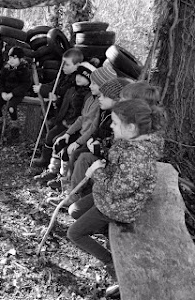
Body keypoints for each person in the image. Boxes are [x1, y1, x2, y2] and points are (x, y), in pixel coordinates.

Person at [65, 99, 165, 291]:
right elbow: (116, 162)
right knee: (74, 211)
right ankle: (107, 233)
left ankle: (114, 263)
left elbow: (117, 190)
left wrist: (96, 172)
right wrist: (102, 156)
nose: (111, 126)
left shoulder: (138, 157)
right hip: (108, 196)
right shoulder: (128, 141)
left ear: (131, 127)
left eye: (115, 123)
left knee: (74, 233)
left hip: (118, 206)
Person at [42, 66, 117, 189]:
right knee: (59, 142)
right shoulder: (89, 98)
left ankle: (67, 182)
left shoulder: (101, 104)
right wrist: (68, 133)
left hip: (87, 138)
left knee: (72, 154)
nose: (90, 86)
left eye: (94, 84)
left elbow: (93, 127)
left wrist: (78, 142)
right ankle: (56, 174)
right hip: (82, 135)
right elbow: (82, 118)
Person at [61, 77, 132, 205]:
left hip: (107, 157)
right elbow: (97, 129)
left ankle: (76, 195)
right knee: (77, 154)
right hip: (101, 150)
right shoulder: (104, 111)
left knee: (83, 158)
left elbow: (115, 145)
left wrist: (99, 148)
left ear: (116, 99)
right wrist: (94, 140)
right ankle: (74, 191)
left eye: (104, 96)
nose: (100, 98)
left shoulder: (119, 119)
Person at [32, 61, 94, 170]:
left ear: (89, 78)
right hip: (65, 120)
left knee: (58, 139)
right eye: (77, 75)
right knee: (50, 135)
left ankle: (57, 167)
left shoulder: (87, 95)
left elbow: (82, 114)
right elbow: (65, 104)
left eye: (82, 76)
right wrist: (56, 101)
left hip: (74, 125)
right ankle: (45, 159)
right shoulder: (72, 89)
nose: (78, 78)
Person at [0, 47, 32, 139]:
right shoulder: (6, 68)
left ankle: (15, 125)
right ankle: (0, 121)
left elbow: (25, 85)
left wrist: (13, 93)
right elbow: (0, 81)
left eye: (14, 58)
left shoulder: (24, 70)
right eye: (10, 58)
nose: (11, 60)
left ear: (20, 59)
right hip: (5, 92)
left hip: (17, 94)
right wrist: (2, 92)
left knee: (11, 108)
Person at [32, 48, 84, 115]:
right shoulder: (63, 75)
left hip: (66, 112)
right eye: (63, 64)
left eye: (67, 65)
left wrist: (42, 89)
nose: (63, 67)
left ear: (77, 66)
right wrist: (42, 86)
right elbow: (54, 84)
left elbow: (62, 91)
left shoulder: (75, 80)